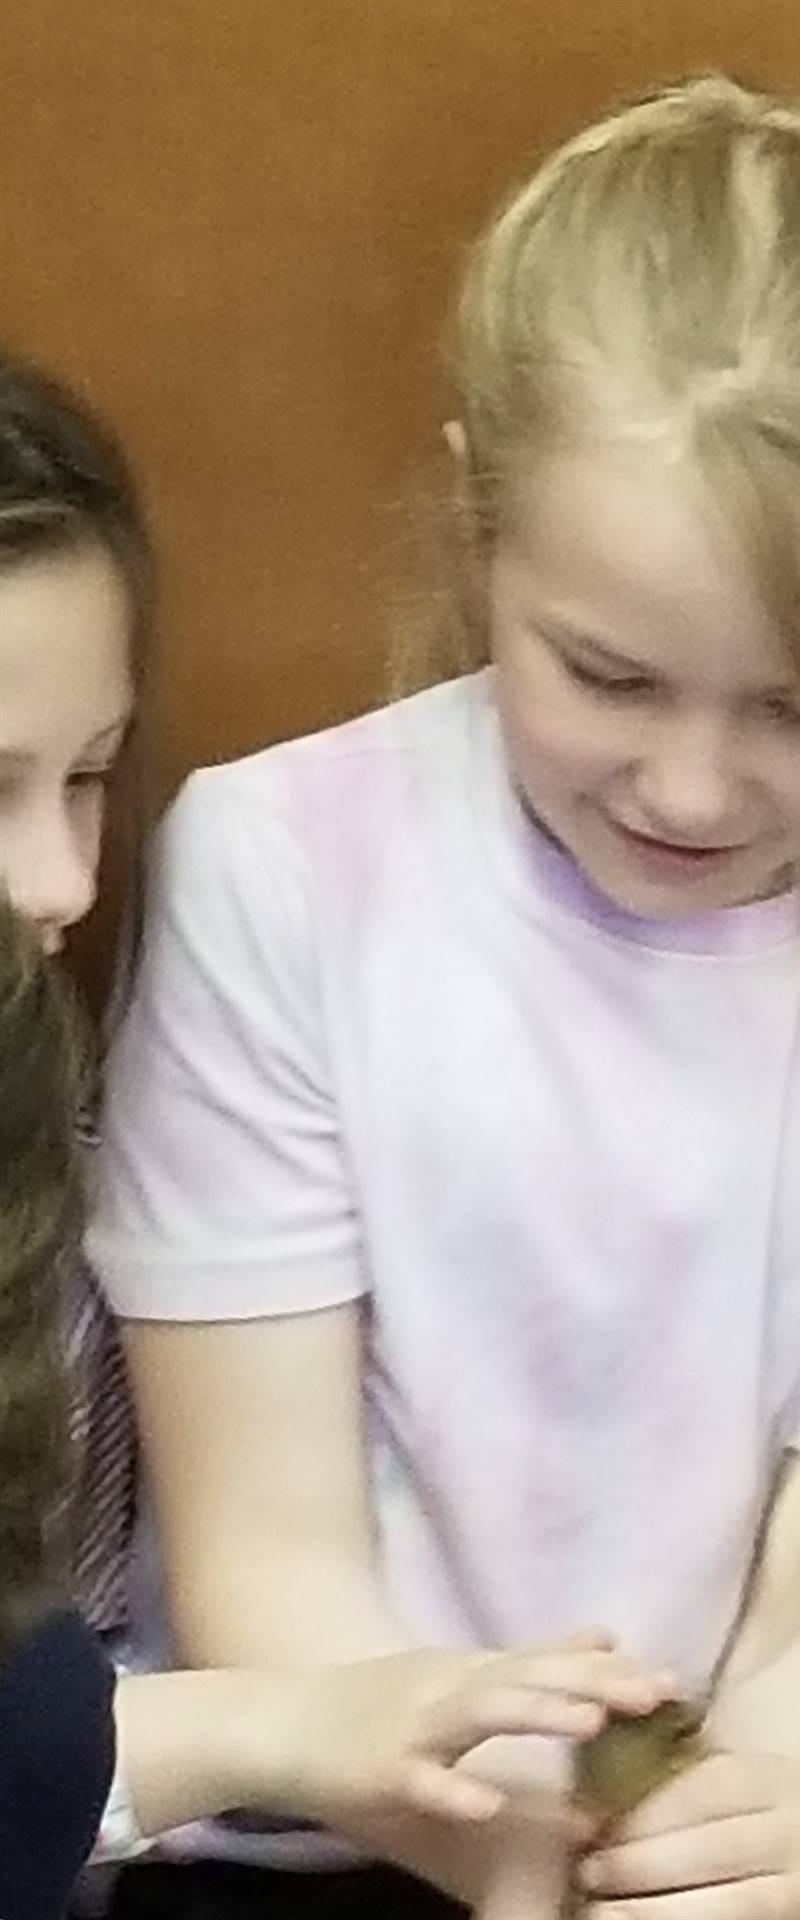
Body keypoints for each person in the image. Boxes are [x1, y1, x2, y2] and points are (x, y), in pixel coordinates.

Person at [89, 75, 800, 1920]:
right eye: (610, 677)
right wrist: (497, 1843)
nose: (694, 791)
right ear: (479, 518)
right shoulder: (282, 869)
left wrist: (791, 1837)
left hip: (704, 1805)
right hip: (335, 1812)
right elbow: (269, 1561)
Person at [0, 358, 675, 1920]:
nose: (59, 883)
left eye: (89, 780)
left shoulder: (50, 1125)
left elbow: (69, 1678)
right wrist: (275, 1722)